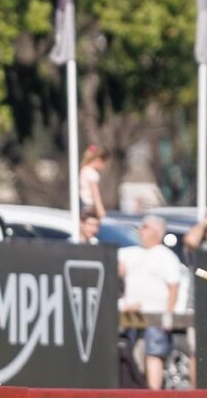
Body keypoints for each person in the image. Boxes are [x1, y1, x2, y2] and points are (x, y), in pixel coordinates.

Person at [118, 216, 182, 389]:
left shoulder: (166, 256)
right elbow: (115, 269)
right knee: (132, 356)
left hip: (156, 316)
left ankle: (154, 392)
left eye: (145, 227)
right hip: (132, 315)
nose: (141, 230)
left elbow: (174, 287)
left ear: (157, 232)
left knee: (153, 354)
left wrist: (169, 314)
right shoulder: (130, 252)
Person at [80, 144, 109, 218]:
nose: (104, 166)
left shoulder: (84, 170)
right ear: (99, 160)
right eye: (104, 162)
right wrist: (102, 214)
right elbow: (96, 195)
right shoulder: (92, 173)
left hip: (82, 204)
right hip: (88, 207)